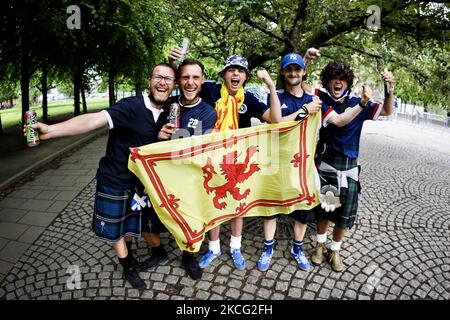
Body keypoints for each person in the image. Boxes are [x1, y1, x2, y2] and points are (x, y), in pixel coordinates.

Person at [26, 63, 177, 289]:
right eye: (158, 77)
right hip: (114, 181)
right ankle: (128, 267)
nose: (162, 82)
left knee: (129, 224)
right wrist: (51, 130)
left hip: (139, 184)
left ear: (173, 85)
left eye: (168, 79)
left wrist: (161, 138)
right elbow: (95, 120)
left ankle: (132, 254)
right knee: (115, 228)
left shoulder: (168, 114)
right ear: (149, 80)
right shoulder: (130, 106)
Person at [169, 48, 282, 270]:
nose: (236, 74)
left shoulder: (250, 98)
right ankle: (213, 248)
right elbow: (186, 81)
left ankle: (235, 247)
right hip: (208, 160)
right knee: (213, 202)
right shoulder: (210, 89)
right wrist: (173, 62)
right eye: (231, 69)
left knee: (236, 205)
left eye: (241, 70)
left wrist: (270, 86)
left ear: (246, 76)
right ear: (223, 74)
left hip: (238, 161)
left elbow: (276, 119)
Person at [257, 51, 370, 272]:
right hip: (275, 163)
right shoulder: (275, 96)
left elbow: (337, 120)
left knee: (303, 210)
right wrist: (302, 111)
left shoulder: (315, 100)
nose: (293, 73)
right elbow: (276, 122)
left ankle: (297, 249)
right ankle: (268, 248)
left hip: (302, 165)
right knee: (271, 209)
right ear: (282, 72)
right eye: (288, 69)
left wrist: (364, 103)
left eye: (297, 69)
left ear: (304, 72)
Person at [310, 60, 395, 272]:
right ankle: (320, 246)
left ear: (347, 82)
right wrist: (307, 59)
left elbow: (387, 111)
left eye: (342, 79)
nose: (337, 82)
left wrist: (389, 88)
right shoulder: (322, 99)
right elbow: (338, 120)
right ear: (328, 82)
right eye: (333, 79)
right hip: (328, 164)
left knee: (344, 215)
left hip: (349, 168)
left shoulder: (358, 101)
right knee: (327, 210)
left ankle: (335, 250)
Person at [141, 58, 217, 280]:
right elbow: (145, 131)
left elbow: (203, 150)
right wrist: (158, 135)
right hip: (159, 174)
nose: (190, 82)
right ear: (178, 80)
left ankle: (188, 256)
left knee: (189, 219)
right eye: (185, 77)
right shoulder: (166, 103)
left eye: (195, 77)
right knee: (149, 217)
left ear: (203, 80)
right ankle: (158, 250)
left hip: (188, 177)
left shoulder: (208, 112)